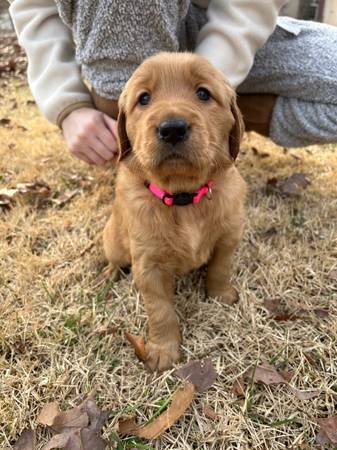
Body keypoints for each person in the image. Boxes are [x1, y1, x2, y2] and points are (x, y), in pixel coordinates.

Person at [8, 1, 337, 166]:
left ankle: (209, 121)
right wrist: (68, 106)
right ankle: (130, 125)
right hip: (118, 32)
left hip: (221, 21)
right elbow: (35, 8)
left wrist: (210, 89)